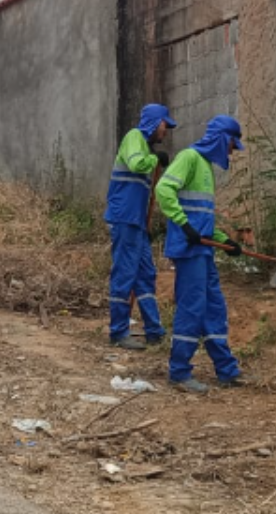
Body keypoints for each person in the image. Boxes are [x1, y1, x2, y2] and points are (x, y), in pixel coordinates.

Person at [155, 115, 246, 394]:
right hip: (189, 250)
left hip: (202, 250)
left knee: (214, 308)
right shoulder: (189, 158)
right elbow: (163, 189)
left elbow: (203, 220)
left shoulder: (205, 167)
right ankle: (179, 372)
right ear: (222, 138)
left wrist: (226, 241)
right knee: (192, 308)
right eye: (232, 143)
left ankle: (227, 370)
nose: (232, 150)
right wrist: (184, 226)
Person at [104, 103, 176, 350]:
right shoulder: (134, 138)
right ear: (155, 123)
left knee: (146, 274)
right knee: (124, 273)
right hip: (125, 218)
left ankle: (154, 329)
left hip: (136, 221)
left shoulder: (145, 147)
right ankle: (118, 331)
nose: (166, 131)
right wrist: (154, 159)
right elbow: (136, 164)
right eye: (165, 124)